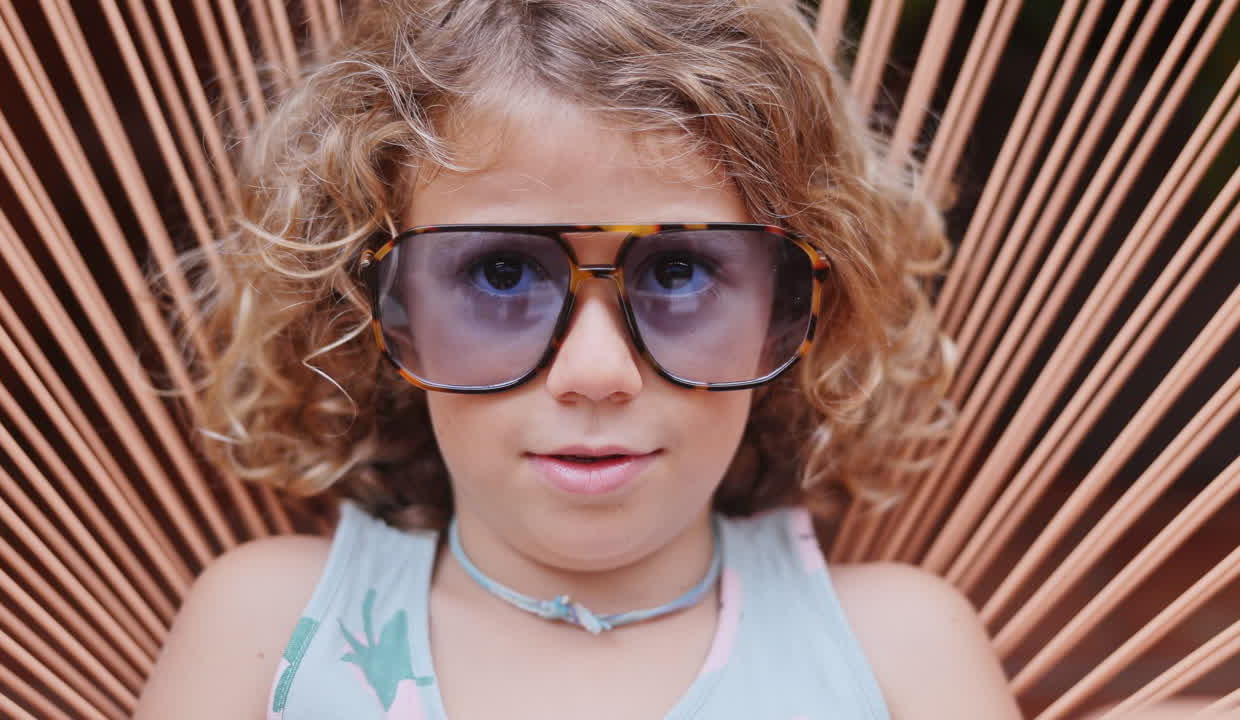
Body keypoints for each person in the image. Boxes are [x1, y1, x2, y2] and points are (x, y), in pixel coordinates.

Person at [135, 0, 1025, 717]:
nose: (596, 372)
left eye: (678, 270)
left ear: (790, 309)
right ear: (377, 310)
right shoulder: (274, 635)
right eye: (500, 270)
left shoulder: (896, 654)